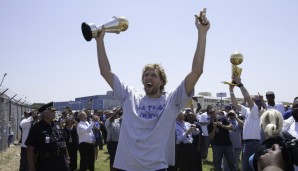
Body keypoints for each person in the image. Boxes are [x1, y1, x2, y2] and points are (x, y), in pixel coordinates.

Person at [94, 8, 210, 170]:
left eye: (154, 75)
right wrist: (100, 42)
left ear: (162, 80)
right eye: (146, 75)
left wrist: (202, 34)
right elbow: (105, 72)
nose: (149, 77)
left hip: (156, 167)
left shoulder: (172, 100)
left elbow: (197, 72)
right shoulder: (130, 96)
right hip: (126, 166)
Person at [229, 76, 262, 171]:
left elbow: (247, 97)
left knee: (247, 168)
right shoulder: (248, 110)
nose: (249, 101)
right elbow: (235, 104)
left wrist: (240, 84)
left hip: (252, 144)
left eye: (252, 100)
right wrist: (231, 90)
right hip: (248, 143)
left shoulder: (255, 110)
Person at [25, 102, 70, 171]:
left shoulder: (57, 125)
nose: (54, 112)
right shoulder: (37, 127)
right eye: (52, 111)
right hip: (46, 163)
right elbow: (30, 149)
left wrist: (67, 157)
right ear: (45, 113)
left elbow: (63, 142)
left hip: (62, 161)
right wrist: (31, 168)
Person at [105, 107, 122, 171]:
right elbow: (112, 118)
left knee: (118, 159)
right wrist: (119, 110)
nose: (112, 114)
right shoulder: (108, 121)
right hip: (112, 143)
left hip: (118, 143)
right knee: (113, 159)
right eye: (111, 114)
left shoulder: (118, 120)